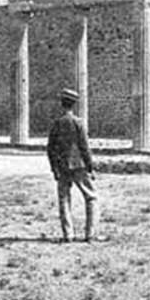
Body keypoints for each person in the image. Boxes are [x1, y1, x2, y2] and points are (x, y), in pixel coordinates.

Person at [46, 88, 102, 243]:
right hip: (79, 166)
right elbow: (85, 147)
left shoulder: (57, 123)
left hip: (62, 167)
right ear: (74, 105)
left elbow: (50, 148)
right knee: (91, 197)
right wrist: (91, 167)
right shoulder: (78, 123)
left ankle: (68, 235)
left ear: (61, 104)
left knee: (64, 199)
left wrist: (54, 169)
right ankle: (90, 234)